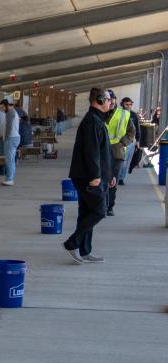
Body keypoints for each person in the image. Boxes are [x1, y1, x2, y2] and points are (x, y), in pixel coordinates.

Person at [63, 87, 115, 265]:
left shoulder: (97, 120)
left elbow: (103, 152)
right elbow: (92, 152)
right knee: (100, 210)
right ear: (99, 100)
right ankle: (72, 243)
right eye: (108, 99)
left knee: (87, 212)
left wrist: (110, 174)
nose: (110, 102)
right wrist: (96, 176)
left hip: (91, 175)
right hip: (88, 177)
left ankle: (85, 251)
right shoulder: (93, 121)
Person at [104, 91, 135, 216]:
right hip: (102, 152)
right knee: (101, 180)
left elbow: (131, 132)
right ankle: (102, 205)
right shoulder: (100, 114)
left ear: (116, 100)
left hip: (117, 152)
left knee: (113, 181)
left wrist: (122, 143)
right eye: (108, 99)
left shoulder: (124, 114)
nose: (111, 101)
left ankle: (109, 206)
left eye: (113, 99)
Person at [0, 99, 21, 186]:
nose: (2, 109)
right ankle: (10, 178)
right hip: (15, 138)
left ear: (7, 105)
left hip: (10, 138)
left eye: (2, 107)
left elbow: (9, 127)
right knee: (11, 159)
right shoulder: (13, 112)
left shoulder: (10, 113)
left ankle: (9, 179)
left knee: (9, 160)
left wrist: (5, 139)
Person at [117, 97, 139, 184]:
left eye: (130, 104)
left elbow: (137, 128)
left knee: (126, 161)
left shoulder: (133, 115)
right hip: (120, 141)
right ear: (122, 104)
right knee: (120, 160)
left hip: (130, 142)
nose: (129, 106)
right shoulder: (118, 114)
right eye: (127, 104)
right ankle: (117, 177)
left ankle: (121, 178)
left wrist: (138, 141)